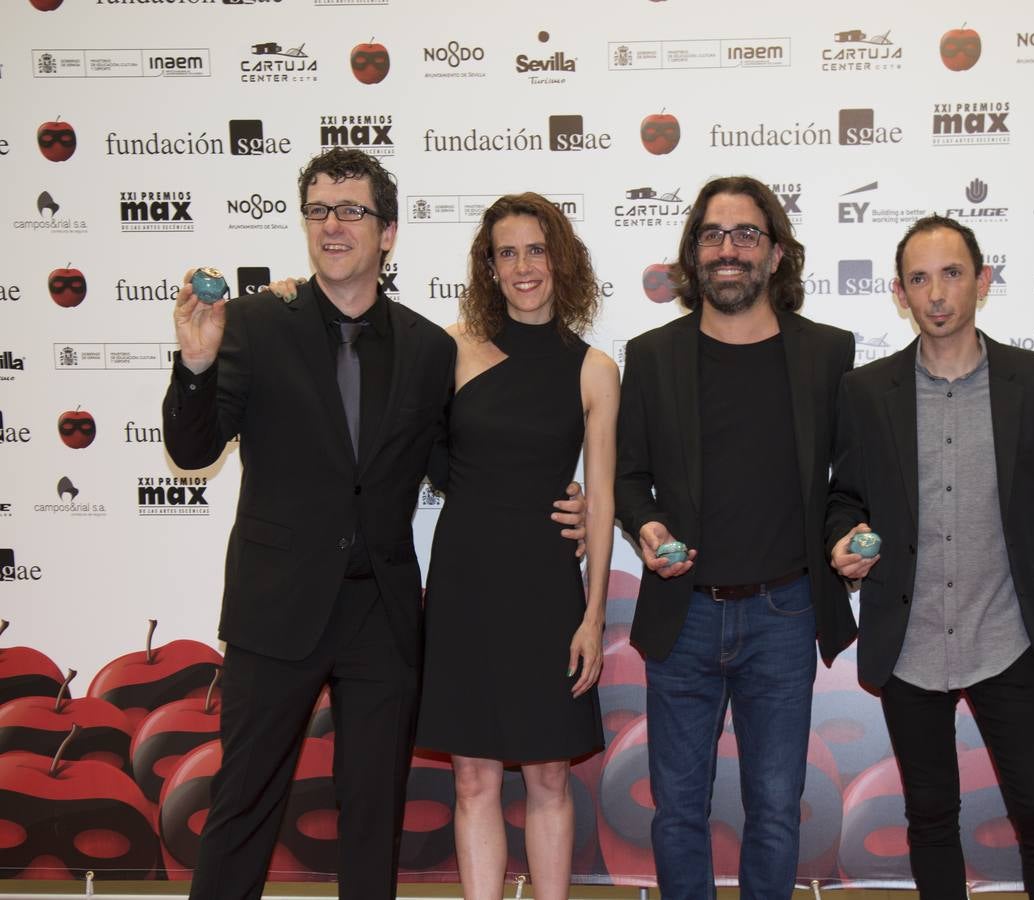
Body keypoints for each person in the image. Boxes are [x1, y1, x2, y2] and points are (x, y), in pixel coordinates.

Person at [161, 150, 583, 900]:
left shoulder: (429, 349)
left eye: (352, 210)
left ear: (387, 233)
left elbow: (462, 467)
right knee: (243, 805)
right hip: (275, 605)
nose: (333, 225)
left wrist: (561, 496)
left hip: (382, 615)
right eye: (319, 210)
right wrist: (194, 365)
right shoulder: (254, 323)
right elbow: (192, 450)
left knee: (373, 819)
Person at [614, 175, 858, 900]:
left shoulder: (827, 353)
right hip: (681, 614)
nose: (729, 250)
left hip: (783, 616)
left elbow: (846, 486)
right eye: (713, 235)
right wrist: (647, 525)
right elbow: (629, 479)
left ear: (776, 254)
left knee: (778, 813)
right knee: (678, 814)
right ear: (693, 255)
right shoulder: (653, 355)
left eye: (746, 234)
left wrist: (851, 534)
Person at [826, 215, 1034, 898]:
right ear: (899, 293)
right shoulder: (865, 391)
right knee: (931, 819)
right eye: (918, 278)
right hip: (909, 639)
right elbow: (845, 497)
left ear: (982, 281)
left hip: (1011, 636)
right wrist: (845, 539)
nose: (936, 293)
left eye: (952, 273)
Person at [413, 193, 618, 900]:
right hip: (466, 580)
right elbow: (414, 442)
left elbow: (605, 497)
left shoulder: (594, 369)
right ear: (489, 267)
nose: (524, 266)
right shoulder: (451, 349)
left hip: (545, 587)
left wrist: (593, 617)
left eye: (536, 249)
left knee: (549, 776)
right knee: (472, 776)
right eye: (507, 252)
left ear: (560, 261)